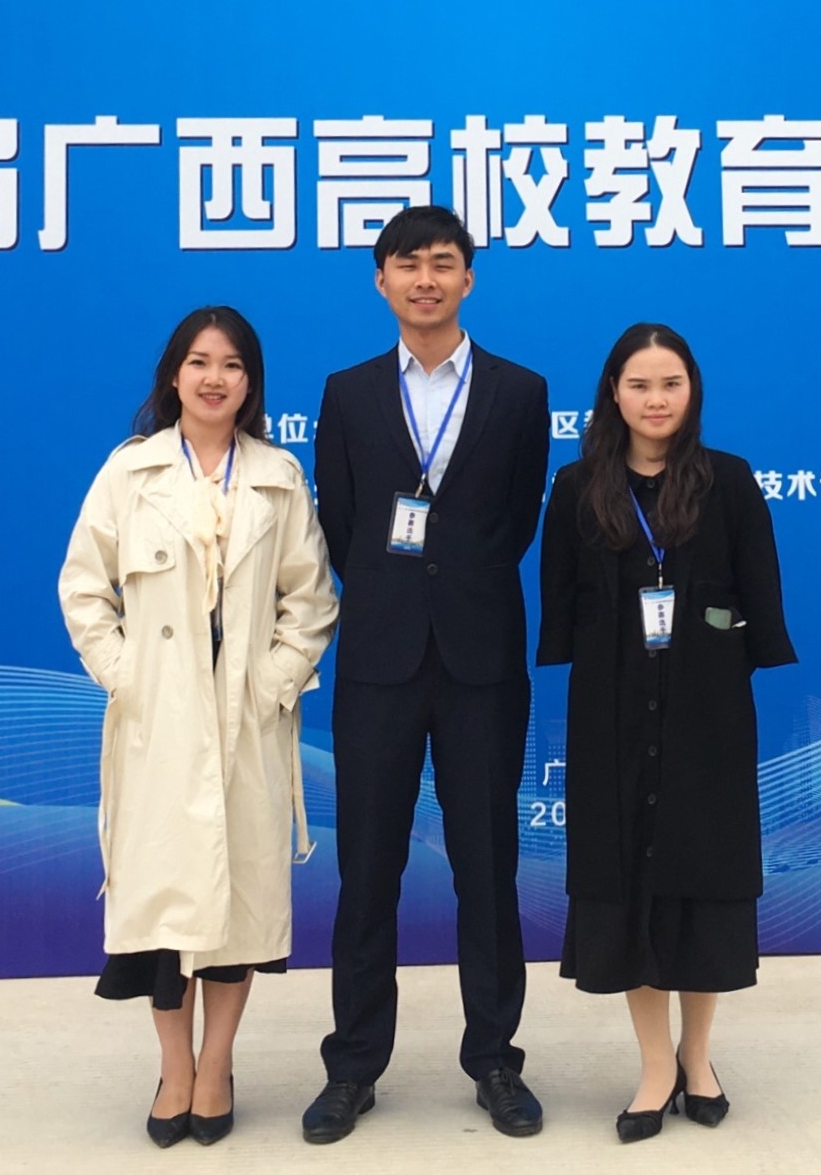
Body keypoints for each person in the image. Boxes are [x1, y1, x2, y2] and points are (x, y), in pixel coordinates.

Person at [57, 305, 339, 1148]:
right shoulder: (131, 471)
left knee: (236, 911)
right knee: (163, 911)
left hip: (245, 723)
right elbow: (83, 588)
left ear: (251, 383)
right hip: (159, 725)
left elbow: (310, 600)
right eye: (199, 362)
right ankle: (172, 1067)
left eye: (232, 365)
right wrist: (128, 676)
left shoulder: (278, 477)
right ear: (173, 376)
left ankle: (216, 1066)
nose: (214, 379)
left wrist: (273, 684)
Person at [303, 205, 553, 1142]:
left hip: (481, 661)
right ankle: (353, 1067)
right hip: (379, 659)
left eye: (442, 263)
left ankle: (494, 1060)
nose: (425, 280)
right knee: (367, 869)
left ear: (468, 278)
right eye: (406, 265)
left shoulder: (519, 392)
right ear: (381, 281)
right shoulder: (349, 392)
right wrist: (396, 592)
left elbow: (515, 522)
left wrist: (455, 585)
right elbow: (342, 525)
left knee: (487, 868)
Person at [536, 322, 797, 1143]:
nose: (656, 400)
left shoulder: (728, 480)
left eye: (670, 384)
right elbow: (562, 600)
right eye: (639, 384)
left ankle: (698, 1057)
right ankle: (655, 1066)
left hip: (705, 716)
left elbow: (757, 593)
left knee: (700, 880)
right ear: (613, 393)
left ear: (692, 392)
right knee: (628, 886)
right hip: (609, 715)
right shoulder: (577, 486)